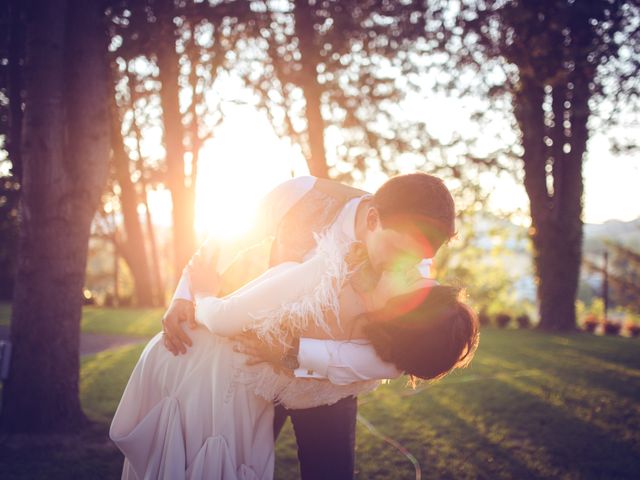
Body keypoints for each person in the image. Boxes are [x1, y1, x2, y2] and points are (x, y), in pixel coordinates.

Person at [110, 226, 479, 479]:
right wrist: (189, 294)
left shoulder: (380, 346)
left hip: (234, 382)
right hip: (199, 364)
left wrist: (206, 294)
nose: (419, 271)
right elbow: (224, 303)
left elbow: (359, 362)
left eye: (421, 284)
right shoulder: (347, 261)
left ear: (405, 315)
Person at [160, 173, 460, 479]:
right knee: (233, 467)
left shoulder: (414, 271)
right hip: (255, 371)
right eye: (399, 251)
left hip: (327, 391)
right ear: (372, 219)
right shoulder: (300, 194)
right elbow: (228, 238)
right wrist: (184, 295)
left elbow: (395, 359)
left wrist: (294, 355)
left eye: (418, 259)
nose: (406, 265)